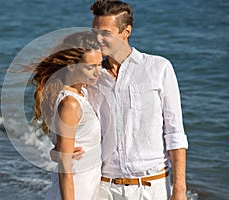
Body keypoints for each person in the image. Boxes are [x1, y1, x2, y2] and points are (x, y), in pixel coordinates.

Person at [73, 0, 188, 199]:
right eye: (95, 32)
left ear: (126, 32)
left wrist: (179, 189)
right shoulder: (92, 76)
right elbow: (73, 115)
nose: (98, 39)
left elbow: (175, 133)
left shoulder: (159, 68)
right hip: (104, 188)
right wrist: (63, 147)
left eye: (105, 33)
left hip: (152, 188)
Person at [29, 31, 103, 200]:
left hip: (89, 184)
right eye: (91, 67)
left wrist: (55, 153)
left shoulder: (82, 92)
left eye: (100, 64)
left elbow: (60, 153)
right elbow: (64, 165)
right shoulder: (70, 103)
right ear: (71, 66)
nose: (98, 72)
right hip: (76, 188)